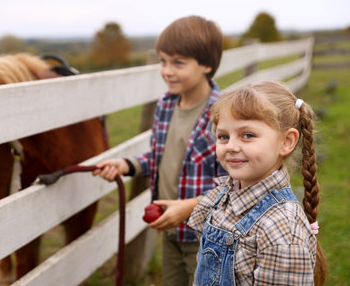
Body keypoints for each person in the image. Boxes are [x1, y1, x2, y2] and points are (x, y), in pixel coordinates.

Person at [93, 15, 227, 286]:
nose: (167, 70)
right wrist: (127, 165)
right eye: (163, 61)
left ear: (207, 65)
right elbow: (160, 157)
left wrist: (189, 208)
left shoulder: (222, 115)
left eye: (178, 63)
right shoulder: (166, 104)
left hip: (206, 236)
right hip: (170, 230)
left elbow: (234, 185)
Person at [188, 81, 327, 285]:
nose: (232, 146)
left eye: (248, 135)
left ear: (286, 141)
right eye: (223, 136)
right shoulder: (224, 194)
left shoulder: (281, 229)